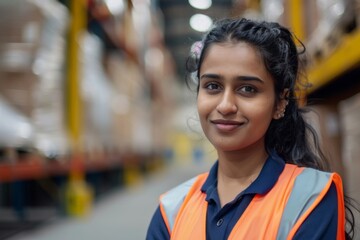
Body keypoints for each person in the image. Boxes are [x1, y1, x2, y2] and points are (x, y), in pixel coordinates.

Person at [146, 18, 355, 239]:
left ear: (280, 103)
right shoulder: (171, 211)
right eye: (212, 86)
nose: (225, 105)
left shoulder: (311, 199)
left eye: (247, 89)